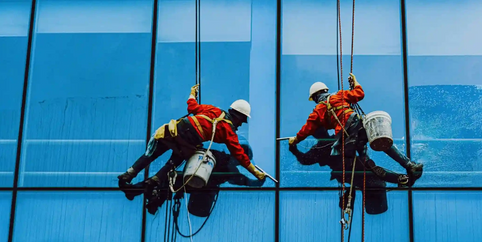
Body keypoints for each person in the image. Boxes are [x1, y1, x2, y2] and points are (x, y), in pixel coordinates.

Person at [117, 84, 266, 195]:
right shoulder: (229, 131)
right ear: (238, 116)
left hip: (174, 130)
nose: (241, 124)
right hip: (187, 140)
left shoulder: (214, 110)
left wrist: (192, 94)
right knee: (176, 160)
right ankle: (153, 181)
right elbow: (240, 155)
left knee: (152, 154)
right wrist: (256, 173)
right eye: (242, 120)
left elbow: (192, 107)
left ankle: (128, 174)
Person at [287, 74, 423, 187]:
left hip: (349, 137)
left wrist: (295, 140)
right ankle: (409, 165)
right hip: (360, 126)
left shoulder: (318, 111)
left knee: (366, 165)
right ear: (325, 91)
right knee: (382, 142)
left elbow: (306, 129)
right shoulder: (339, 95)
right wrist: (356, 82)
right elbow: (359, 93)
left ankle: (400, 179)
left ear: (316, 97)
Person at [121, 143, 264, 215]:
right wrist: (255, 183)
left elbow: (236, 178)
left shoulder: (221, 158)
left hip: (190, 180)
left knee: (164, 184)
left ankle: (140, 193)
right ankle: (140, 193)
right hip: (191, 180)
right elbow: (238, 178)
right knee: (163, 184)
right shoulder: (227, 163)